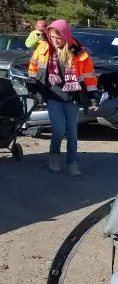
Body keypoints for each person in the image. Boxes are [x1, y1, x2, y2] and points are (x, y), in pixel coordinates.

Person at [27, 20, 98, 177]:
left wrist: (93, 96)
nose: (54, 40)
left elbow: (89, 77)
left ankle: (72, 162)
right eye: (51, 37)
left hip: (72, 97)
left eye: (58, 38)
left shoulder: (79, 53)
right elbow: (33, 66)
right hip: (52, 95)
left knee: (72, 133)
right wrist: (32, 86)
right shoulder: (44, 48)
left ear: (65, 36)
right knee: (58, 129)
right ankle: (54, 155)